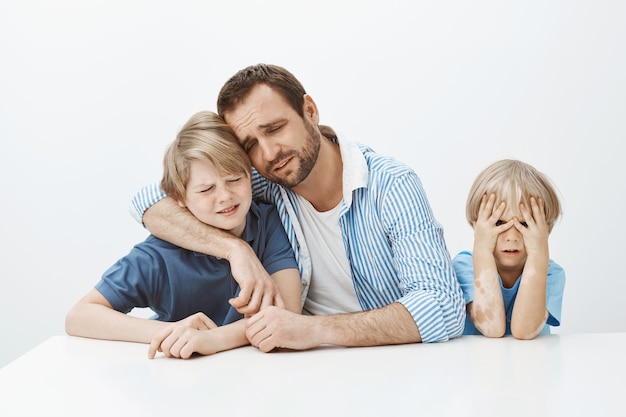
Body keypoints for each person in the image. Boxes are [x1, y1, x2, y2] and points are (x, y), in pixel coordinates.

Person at [131, 63, 466, 351]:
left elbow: (443, 308)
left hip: (394, 367)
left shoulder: (390, 185)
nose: (269, 152)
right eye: (251, 144)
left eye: (275, 129)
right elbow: (148, 201)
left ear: (309, 110)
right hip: (299, 373)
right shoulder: (264, 181)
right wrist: (235, 250)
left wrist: (315, 329)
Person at [65, 111, 301, 359]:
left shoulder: (268, 222)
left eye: (234, 179)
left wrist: (212, 339)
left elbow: (288, 315)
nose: (224, 196)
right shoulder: (158, 255)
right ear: (178, 198)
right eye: (206, 189)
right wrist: (173, 331)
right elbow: (78, 316)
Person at [452, 159, 565, 339]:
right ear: (477, 227)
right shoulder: (464, 266)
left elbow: (524, 331)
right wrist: (482, 250)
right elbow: (492, 328)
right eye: (499, 223)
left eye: (524, 224)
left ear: (545, 230)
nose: (511, 237)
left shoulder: (551, 273)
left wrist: (538, 254)